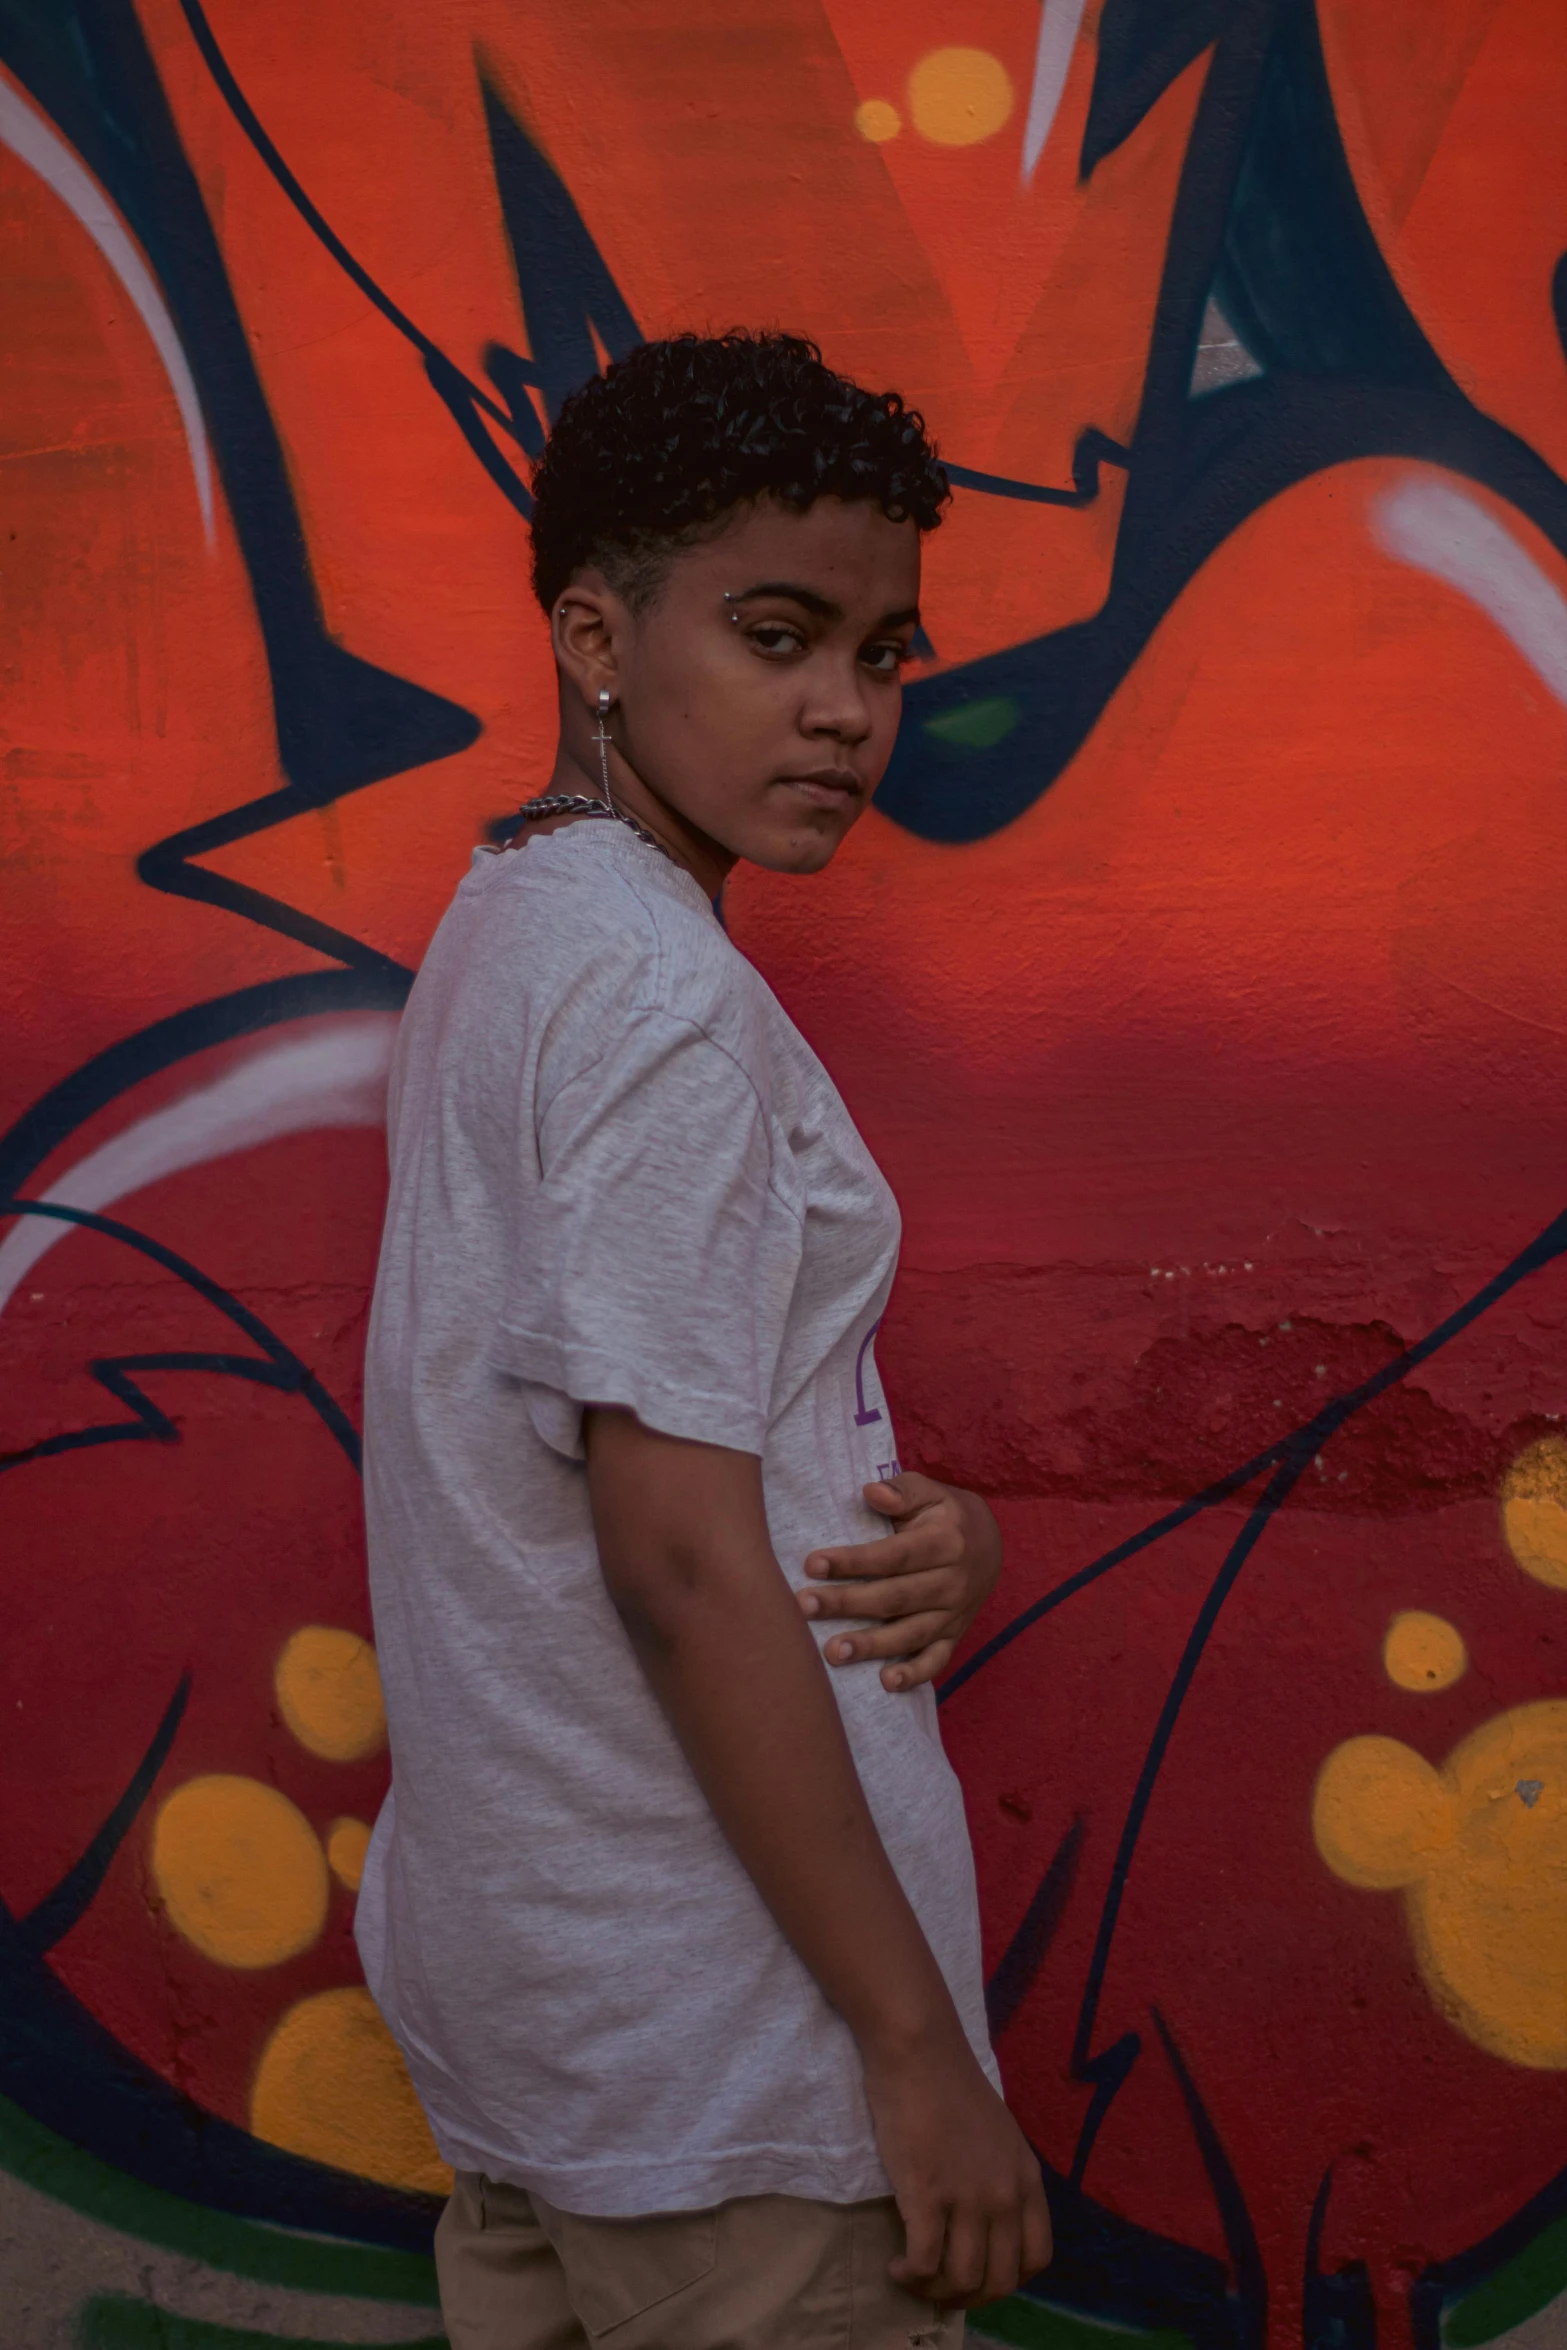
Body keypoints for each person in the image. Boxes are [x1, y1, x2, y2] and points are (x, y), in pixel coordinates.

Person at [358, 330, 1053, 2349]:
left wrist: (939, 1525)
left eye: (886, 652)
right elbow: (672, 1555)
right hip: (730, 2074)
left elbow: (646, 1445)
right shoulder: (664, 1004)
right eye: (778, 633)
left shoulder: (516, 924)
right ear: (597, 633)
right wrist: (917, 2050)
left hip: (552, 2033)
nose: (847, 708)